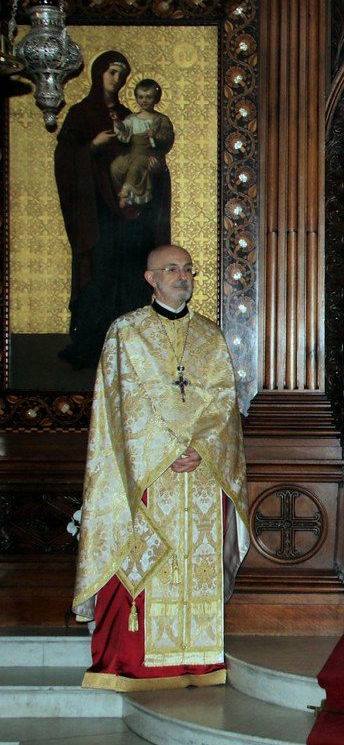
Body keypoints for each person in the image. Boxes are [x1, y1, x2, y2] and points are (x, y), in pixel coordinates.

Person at [72, 244, 249, 691]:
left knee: (196, 565)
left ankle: (198, 661)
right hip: (148, 475)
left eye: (188, 269)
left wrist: (202, 448)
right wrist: (169, 450)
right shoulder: (125, 333)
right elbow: (120, 407)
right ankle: (132, 664)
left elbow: (225, 406)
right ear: (150, 278)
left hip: (202, 476)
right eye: (171, 269)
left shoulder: (210, 336)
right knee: (146, 565)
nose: (182, 276)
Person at [54, 51, 173, 370]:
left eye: (122, 74)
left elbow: (149, 151)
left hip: (131, 215)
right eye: (111, 72)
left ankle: (129, 342)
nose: (116, 79)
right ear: (98, 74)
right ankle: (93, 343)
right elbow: (66, 158)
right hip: (98, 215)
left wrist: (155, 167)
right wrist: (93, 145)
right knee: (101, 273)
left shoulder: (127, 114)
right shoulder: (82, 114)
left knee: (131, 274)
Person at [110, 78, 175, 212]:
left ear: (156, 99)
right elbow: (124, 131)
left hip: (148, 154)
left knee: (136, 167)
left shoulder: (161, 120)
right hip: (133, 152)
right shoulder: (132, 118)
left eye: (149, 97)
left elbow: (168, 139)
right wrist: (117, 122)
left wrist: (155, 137)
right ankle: (120, 194)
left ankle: (127, 194)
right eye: (141, 97)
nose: (144, 100)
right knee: (116, 167)